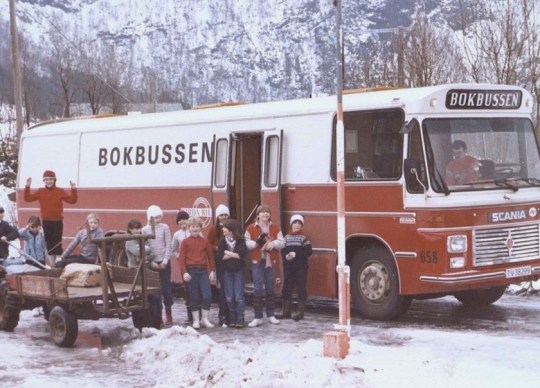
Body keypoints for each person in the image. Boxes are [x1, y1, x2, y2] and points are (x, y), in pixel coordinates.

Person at [24, 170, 78, 265]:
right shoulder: (41, 191)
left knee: (57, 243)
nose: (49, 181)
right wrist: (27, 186)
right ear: (44, 181)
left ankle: (59, 264)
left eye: (51, 179)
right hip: (46, 221)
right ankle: (52, 265)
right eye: (46, 179)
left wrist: (73, 189)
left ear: (54, 180)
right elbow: (27, 198)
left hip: (57, 221)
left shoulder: (60, 191)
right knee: (49, 244)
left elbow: (72, 200)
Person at [245, 204, 285, 327]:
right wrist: (256, 243)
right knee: (257, 288)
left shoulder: (275, 227)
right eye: (263, 212)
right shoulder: (251, 227)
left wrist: (274, 243)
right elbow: (246, 242)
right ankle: (257, 317)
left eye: (267, 212)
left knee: (270, 287)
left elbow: (282, 242)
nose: (265, 214)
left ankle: (271, 315)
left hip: (270, 261)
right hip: (257, 261)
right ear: (258, 215)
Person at [179, 216, 216, 329]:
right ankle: (195, 320)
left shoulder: (205, 242)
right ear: (189, 228)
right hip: (191, 271)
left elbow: (210, 257)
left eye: (197, 226)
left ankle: (204, 318)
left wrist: (212, 271)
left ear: (200, 228)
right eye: (193, 226)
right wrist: (184, 272)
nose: (195, 229)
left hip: (203, 271)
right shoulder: (185, 242)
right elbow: (181, 259)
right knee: (193, 295)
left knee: (207, 295)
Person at [277, 214, 313, 321]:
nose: (297, 225)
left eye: (299, 223)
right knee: (287, 287)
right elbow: (283, 250)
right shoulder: (286, 237)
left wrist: (296, 254)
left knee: (301, 288)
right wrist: (286, 256)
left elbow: (308, 251)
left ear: (302, 226)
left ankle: (300, 312)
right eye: (295, 223)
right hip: (289, 267)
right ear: (291, 224)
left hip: (301, 267)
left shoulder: (304, 238)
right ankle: (285, 311)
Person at [142, 205, 173, 326]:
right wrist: (153, 263)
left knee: (166, 289)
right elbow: (146, 248)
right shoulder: (145, 230)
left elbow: (168, 244)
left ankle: (169, 313)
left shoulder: (165, 227)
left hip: (164, 262)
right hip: (153, 263)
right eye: (156, 218)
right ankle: (158, 316)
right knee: (156, 291)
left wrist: (165, 261)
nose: (158, 220)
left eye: (160, 217)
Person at [217, 218, 247, 328]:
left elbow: (241, 255)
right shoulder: (222, 241)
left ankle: (240, 318)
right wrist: (234, 254)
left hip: (238, 270)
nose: (223, 229)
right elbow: (221, 257)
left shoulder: (240, 240)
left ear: (231, 229)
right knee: (229, 296)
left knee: (239, 296)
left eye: (225, 227)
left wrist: (228, 252)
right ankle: (232, 317)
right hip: (227, 271)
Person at [207, 204, 231, 327]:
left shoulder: (232, 227)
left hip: (231, 261)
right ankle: (222, 315)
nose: (223, 217)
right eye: (221, 215)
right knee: (223, 288)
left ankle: (231, 314)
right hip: (220, 261)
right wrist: (218, 248)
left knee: (230, 288)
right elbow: (208, 244)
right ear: (217, 217)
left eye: (225, 214)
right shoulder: (213, 229)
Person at [171, 210, 197, 325]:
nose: (182, 222)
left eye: (184, 219)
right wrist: (179, 257)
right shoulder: (177, 235)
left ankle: (198, 313)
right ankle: (189, 314)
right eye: (180, 220)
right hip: (184, 265)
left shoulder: (194, 230)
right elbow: (173, 249)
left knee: (197, 288)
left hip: (195, 264)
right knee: (187, 289)